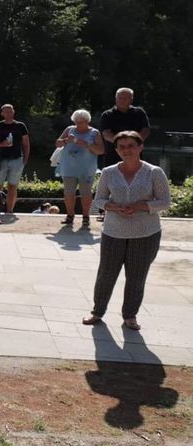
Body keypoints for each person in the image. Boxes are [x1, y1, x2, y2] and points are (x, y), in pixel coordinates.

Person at [84, 131, 171, 330]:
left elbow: (165, 202)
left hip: (145, 233)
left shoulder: (154, 172)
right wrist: (114, 207)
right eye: (121, 146)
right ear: (116, 150)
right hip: (114, 231)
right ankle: (97, 312)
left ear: (140, 147)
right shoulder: (108, 172)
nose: (126, 150)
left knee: (136, 276)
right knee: (106, 274)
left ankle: (130, 316)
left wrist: (141, 206)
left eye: (131, 145)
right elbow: (98, 200)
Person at [55, 109, 104, 228]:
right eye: (77, 122)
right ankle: (69, 216)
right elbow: (57, 143)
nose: (79, 124)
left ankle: (86, 217)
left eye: (82, 122)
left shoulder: (94, 133)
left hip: (87, 169)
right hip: (69, 167)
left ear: (87, 121)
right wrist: (66, 140)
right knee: (68, 193)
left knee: (86, 193)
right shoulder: (69, 130)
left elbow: (101, 150)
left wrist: (87, 144)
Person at [0, 104, 30, 214]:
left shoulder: (21, 126)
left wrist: (25, 159)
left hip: (16, 159)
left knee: (13, 186)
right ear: (2, 113)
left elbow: (26, 144)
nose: (8, 113)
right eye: (6, 111)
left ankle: (9, 211)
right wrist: (2, 144)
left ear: (14, 112)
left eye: (10, 111)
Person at [99, 87, 150, 167]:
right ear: (116, 99)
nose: (122, 100)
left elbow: (145, 130)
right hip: (113, 154)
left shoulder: (139, 113)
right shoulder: (107, 115)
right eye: (120, 98)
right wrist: (123, 144)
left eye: (125, 98)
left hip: (134, 153)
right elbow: (106, 134)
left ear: (131, 99)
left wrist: (134, 143)